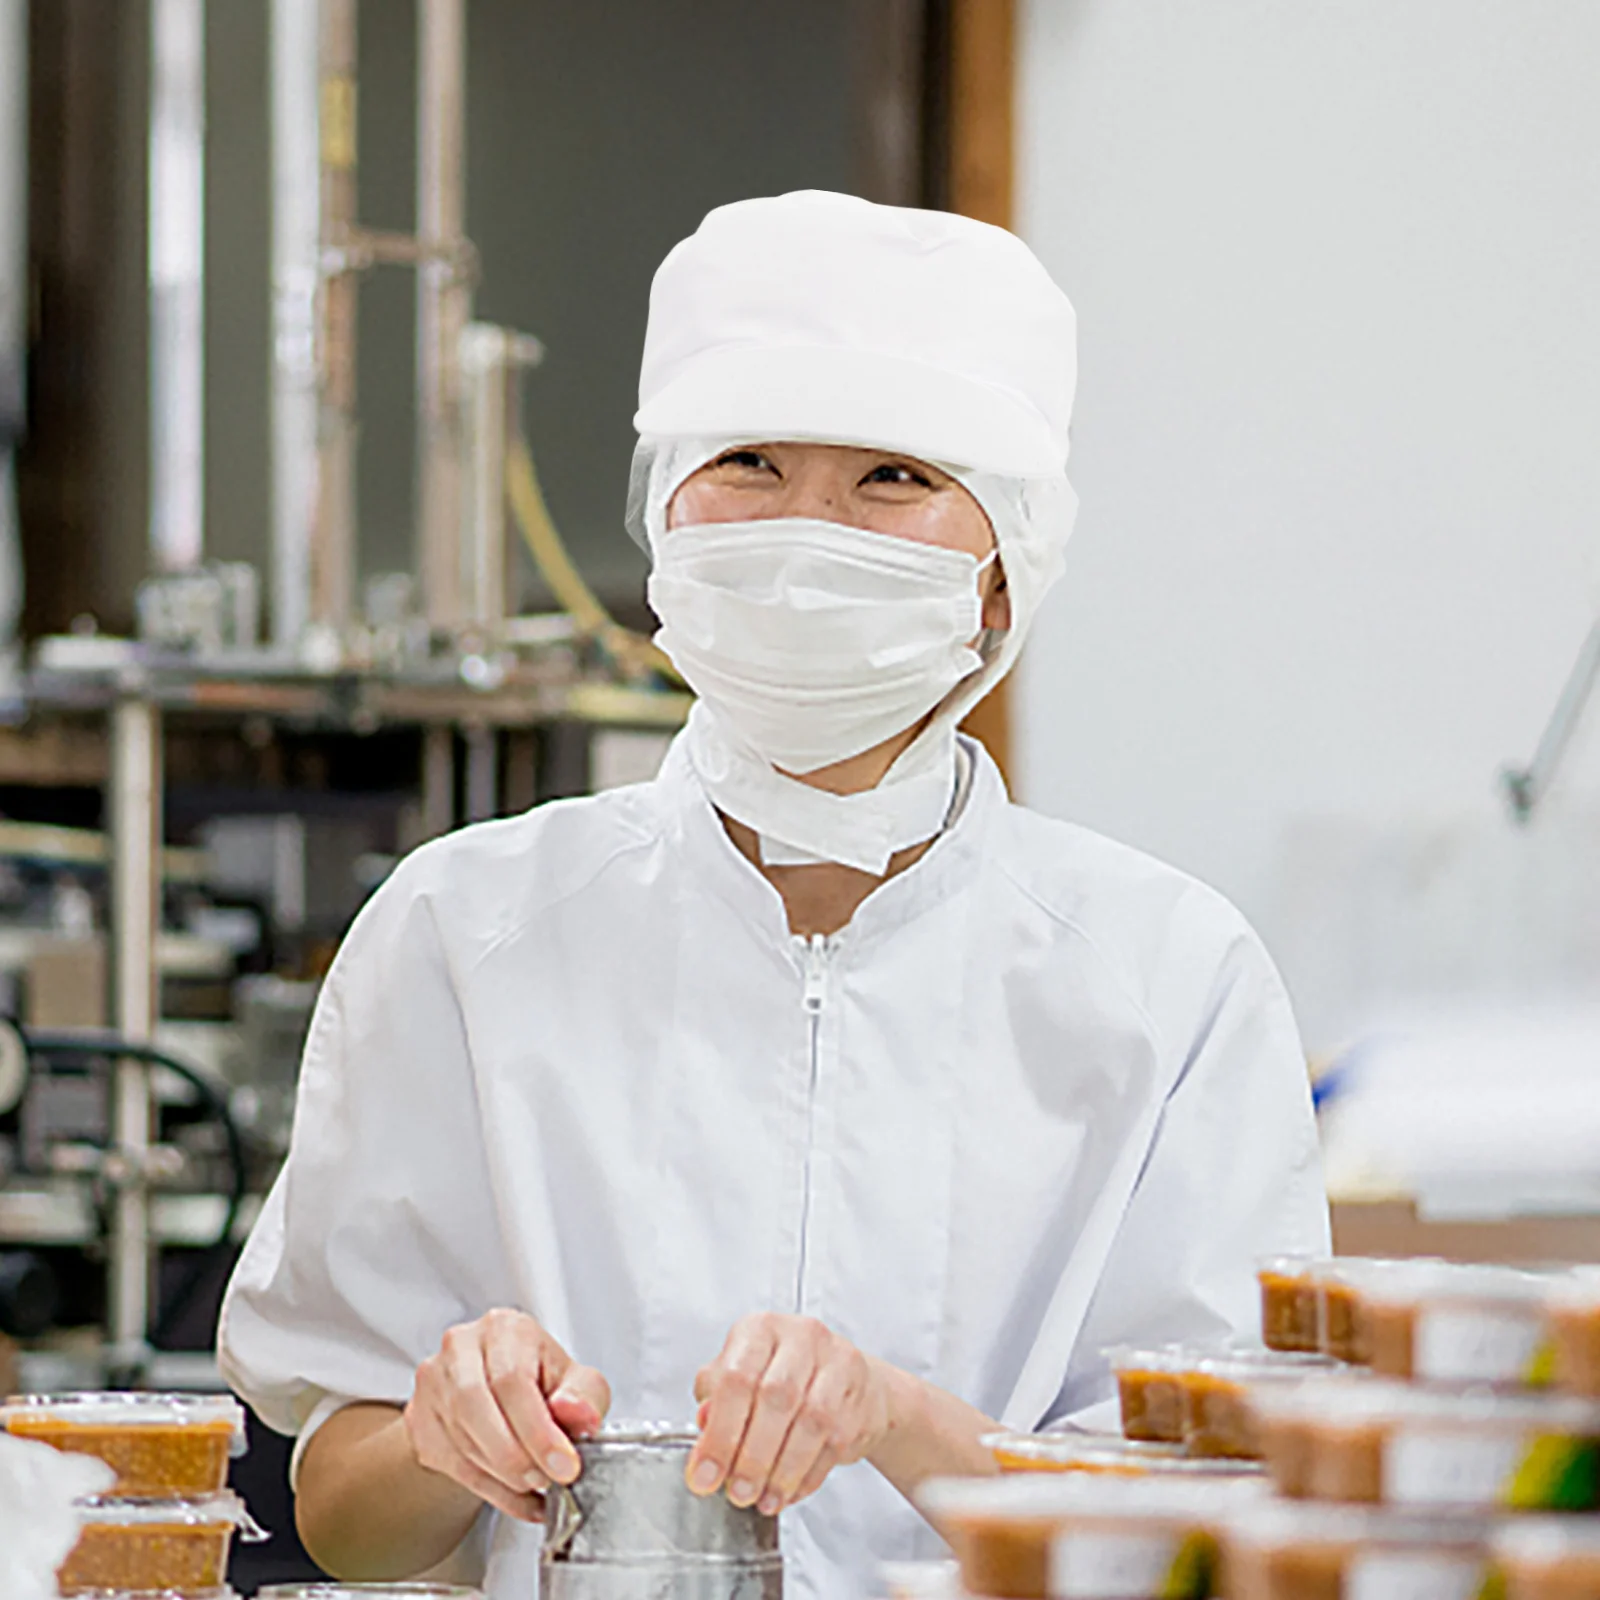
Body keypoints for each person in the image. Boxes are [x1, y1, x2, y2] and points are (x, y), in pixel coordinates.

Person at [218, 190, 1328, 1600]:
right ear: (663, 521)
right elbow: (340, 1518)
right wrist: (445, 1437)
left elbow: (1210, 1538)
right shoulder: (465, 933)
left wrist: (896, 1419)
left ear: (1007, 572)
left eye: (895, 478)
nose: (807, 536)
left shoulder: (1168, 983)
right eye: (749, 461)